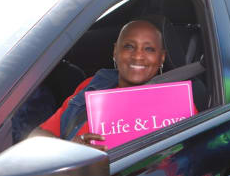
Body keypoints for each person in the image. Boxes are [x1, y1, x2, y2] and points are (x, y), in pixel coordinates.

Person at [31, 19, 168, 150]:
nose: (138, 56)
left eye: (149, 49)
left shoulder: (173, 103)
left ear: (161, 57)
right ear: (115, 51)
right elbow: (36, 137)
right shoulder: (94, 84)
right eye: (129, 46)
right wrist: (67, 149)